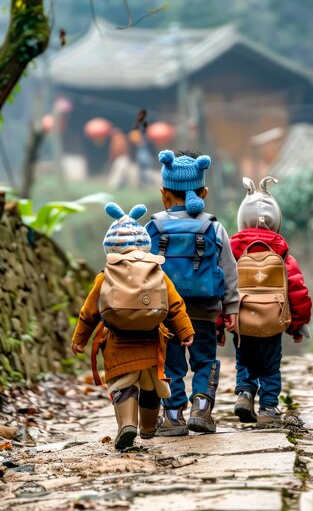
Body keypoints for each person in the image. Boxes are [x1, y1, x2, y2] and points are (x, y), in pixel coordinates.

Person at [71, 202, 194, 450]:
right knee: (150, 388)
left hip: (118, 341)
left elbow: (89, 311)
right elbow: (175, 304)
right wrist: (185, 331)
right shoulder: (155, 270)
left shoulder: (106, 274)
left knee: (123, 384)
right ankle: (148, 427)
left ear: (110, 246)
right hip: (150, 342)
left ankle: (126, 424)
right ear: (144, 243)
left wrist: (80, 339)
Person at [146, 149, 239, 436]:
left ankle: (173, 416)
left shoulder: (153, 227)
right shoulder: (213, 227)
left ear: (164, 193)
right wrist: (232, 307)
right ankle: (201, 407)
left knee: (171, 362)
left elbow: (142, 269)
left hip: (165, 312)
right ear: (205, 192)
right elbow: (229, 268)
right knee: (204, 359)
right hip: (205, 308)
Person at [230, 176, 312, 426]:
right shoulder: (282, 252)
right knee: (270, 366)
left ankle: (244, 393)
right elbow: (297, 290)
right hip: (273, 323)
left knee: (244, 360)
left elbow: (224, 286)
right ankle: (268, 408)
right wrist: (297, 323)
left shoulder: (232, 251)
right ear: (276, 222)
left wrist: (224, 318)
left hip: (242, 322)